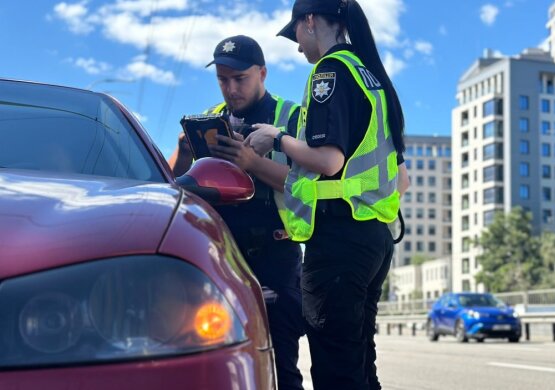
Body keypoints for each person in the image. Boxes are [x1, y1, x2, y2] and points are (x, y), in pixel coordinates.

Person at [245, 1, 409, 389]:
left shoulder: (330, 72)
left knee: (338, 372)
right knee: (359, 365)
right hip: (375, 239)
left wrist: (277, 137)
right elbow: (402, 179)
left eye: (297, 35)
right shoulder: (371, 78)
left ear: (310, 21)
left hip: (339, 241)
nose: (298, 47)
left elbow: (329, 160)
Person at [168, 35, 304, 390]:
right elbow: (172, 184)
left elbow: (307, 186)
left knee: (280, 366)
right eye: (222, 80)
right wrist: (184, 153)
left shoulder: (291, 117)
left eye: (239, 79)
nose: (231, 88)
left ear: (262, 73)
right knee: (219, 363)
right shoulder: (211, 118)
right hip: (222, 258)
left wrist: (251, 163)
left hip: (277, 256)